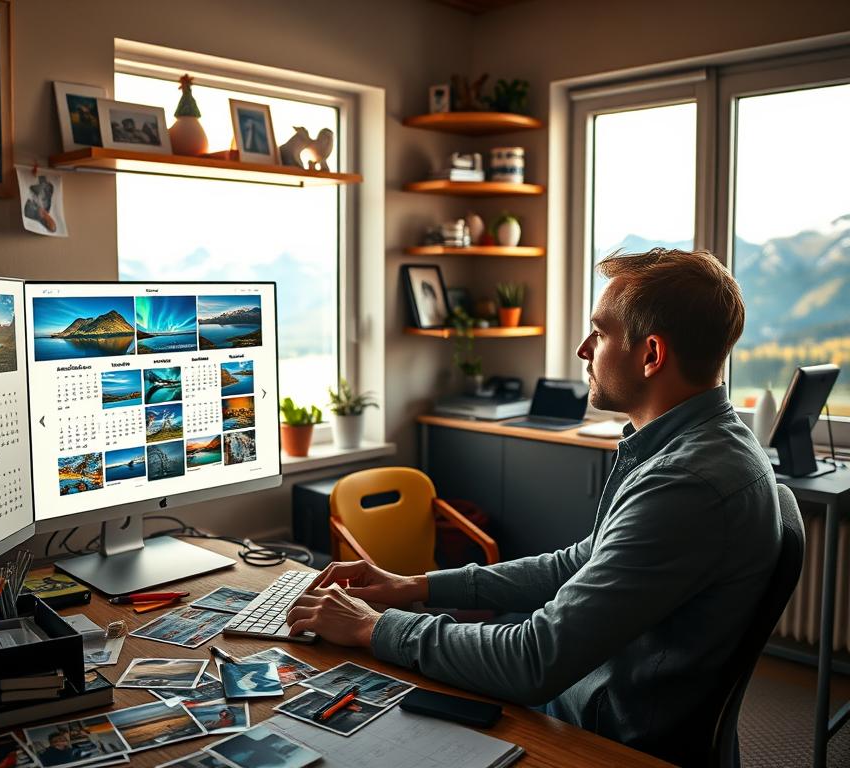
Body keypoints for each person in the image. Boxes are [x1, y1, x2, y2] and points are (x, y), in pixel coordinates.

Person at [287, 248, 783, 766]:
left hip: (601, 734)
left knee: (360, 723)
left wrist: (371, 627)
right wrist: (415, 586)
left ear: (651, 355)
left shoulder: (686, 484)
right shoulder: (698, 443)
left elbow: (534, 660)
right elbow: (579, 563)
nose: (582, 348)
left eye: (601, 332)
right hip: (603, 692)